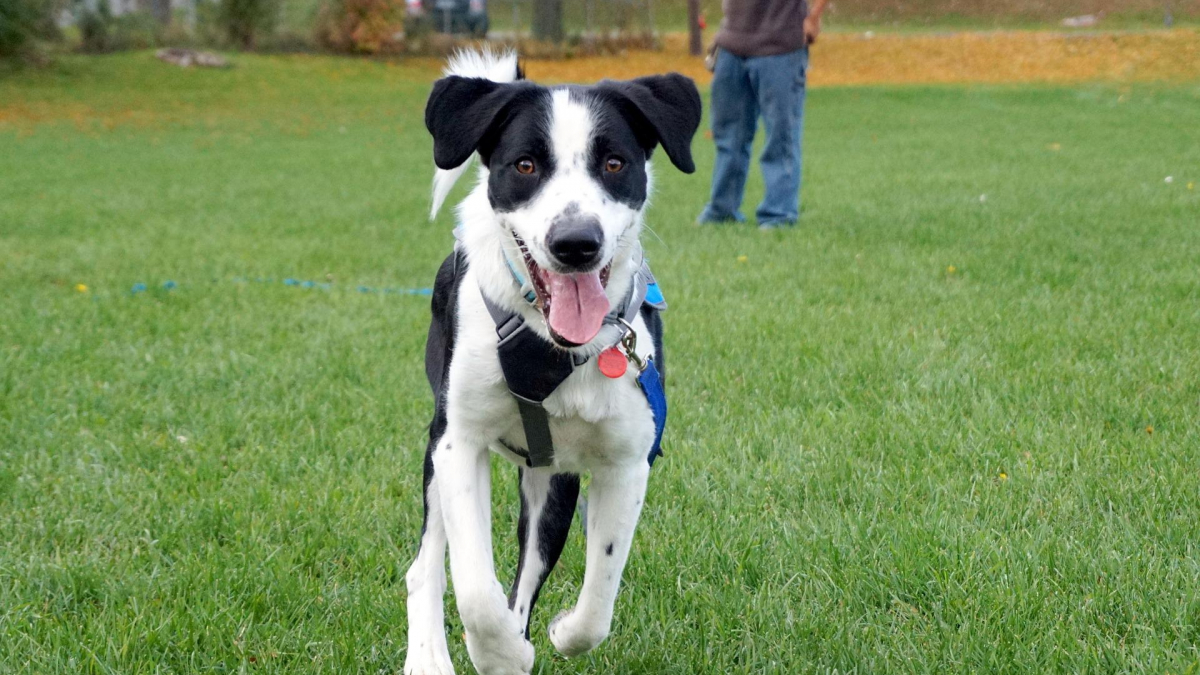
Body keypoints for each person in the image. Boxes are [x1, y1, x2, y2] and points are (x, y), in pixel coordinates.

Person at [697, 0, 829, 229]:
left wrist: (814, 16)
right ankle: (722, 210)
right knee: (728, 136)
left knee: (781, 137)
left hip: (781, 47)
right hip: (731, 44)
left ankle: (778, 215)